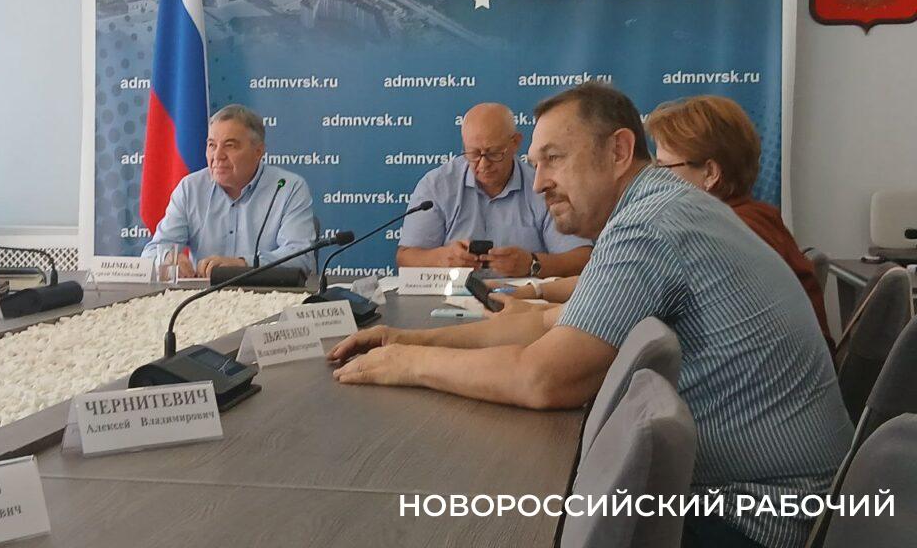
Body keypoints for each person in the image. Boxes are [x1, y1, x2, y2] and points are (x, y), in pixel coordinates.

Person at [330, 84, 852, 548]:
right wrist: (406, 340)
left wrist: (408, 365)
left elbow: (542, 378)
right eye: (535, 164)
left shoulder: (650, 225)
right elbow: (542, 324)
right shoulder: (655, 209)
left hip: (758, 518)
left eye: (554, 159)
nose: (538, 183)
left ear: (619, 151)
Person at [646, 95, 833, 348]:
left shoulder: (725, 236)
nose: (656, 180)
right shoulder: (758, 218)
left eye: (664, 168)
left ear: (710, 174)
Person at [396, 102, 591, 278]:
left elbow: (581, 258)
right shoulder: (437, 185)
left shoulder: (542, 187)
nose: (483, 164)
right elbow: (405, 258)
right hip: (449, 297)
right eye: (473, 154)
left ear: (515, 143)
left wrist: (532, 263)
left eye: (494, 153)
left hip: (525, 300)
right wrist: (442, 258)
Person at [141, 104, 316, 278]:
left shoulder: (287, 188)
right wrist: (168, 258)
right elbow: (152, 251)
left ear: (258, 151)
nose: (218, 156)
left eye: (230, 146)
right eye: (212, 145)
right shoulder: (191, 188)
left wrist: (242, 264)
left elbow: (301, 257)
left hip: (268, 293)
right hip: (202, 294)